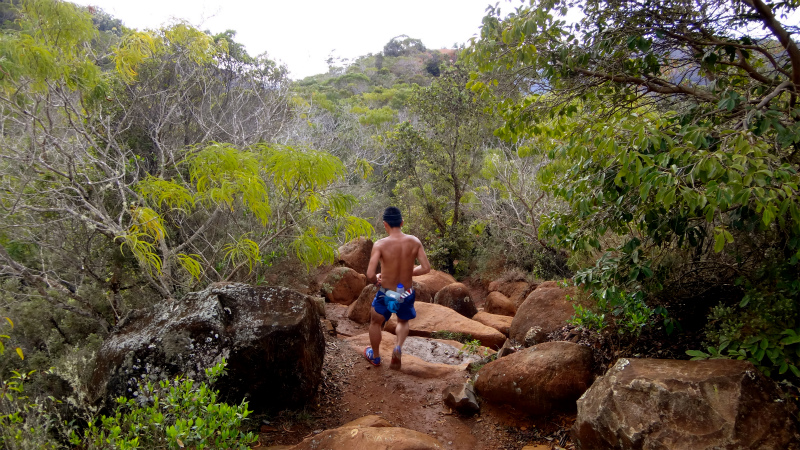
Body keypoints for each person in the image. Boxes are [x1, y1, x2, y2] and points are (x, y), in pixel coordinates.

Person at [364, 206, 431, 370]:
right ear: (402, 222)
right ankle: (398, 347)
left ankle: (376, 357)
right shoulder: (414, 242)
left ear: (385, 224)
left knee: (375, 322)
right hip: (406, 292)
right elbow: (426, 268)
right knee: (402, 321)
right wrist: (410, 272)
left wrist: (376, 281)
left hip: (386, 293)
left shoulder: (380, 245)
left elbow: (370, 273)